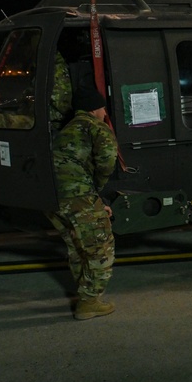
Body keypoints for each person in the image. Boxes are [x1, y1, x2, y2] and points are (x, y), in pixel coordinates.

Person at [48, 87, 119, 320]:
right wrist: (96, 190)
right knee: (101, 247)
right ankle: (89, 303)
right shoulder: (96, 127)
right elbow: (107, 159)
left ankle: (85, 294)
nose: (104, 113)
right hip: (78, 195)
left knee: (78, 247)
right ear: (94, 109)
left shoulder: (66, 130)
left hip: (51, 198)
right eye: (102, 108)